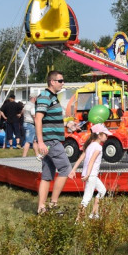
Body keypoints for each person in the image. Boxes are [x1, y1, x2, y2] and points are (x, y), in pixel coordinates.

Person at [35, 71, 72, 214]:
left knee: (47, 175)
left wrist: (67, 126)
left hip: (51, 140)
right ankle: (53, 204)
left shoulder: (52, 97)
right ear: (52, 82)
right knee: (65, 169)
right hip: (51, 142)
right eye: (60, 80)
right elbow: (38, 119)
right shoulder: (45, 96)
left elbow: (49, 120)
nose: (63, 83)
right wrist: (41, 142)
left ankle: (41, 207)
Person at [69, 124, 110, 220]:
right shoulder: (98, 147)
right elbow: (91, 161)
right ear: (99, 135)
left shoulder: (90, 145)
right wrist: (87, 174)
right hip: (91, 175)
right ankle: (78, 220)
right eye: (105, 135)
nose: (107, 137)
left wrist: (73, 169)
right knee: (86, 199)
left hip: (91, 175)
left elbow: (80, 158)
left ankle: (94, 214)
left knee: (102, 191)